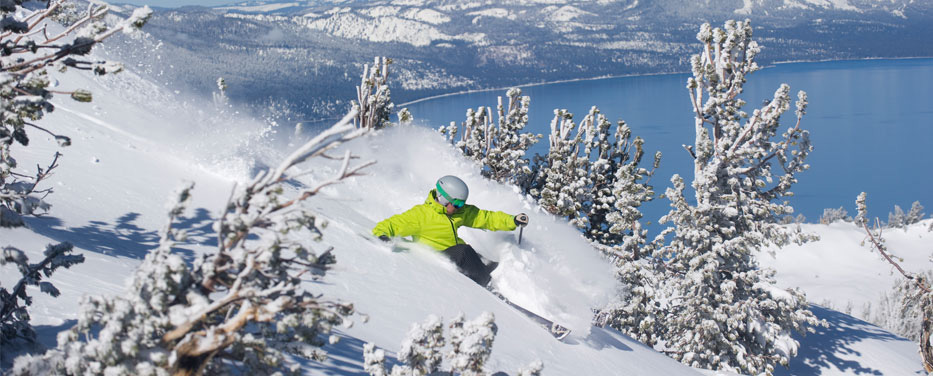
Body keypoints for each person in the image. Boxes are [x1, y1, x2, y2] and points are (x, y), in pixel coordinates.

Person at [372, 175, 529, 286]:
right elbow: (393, 224)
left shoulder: (458, 212)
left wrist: (512, 220)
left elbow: (485, 218)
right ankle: (485, 287)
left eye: (461, 204)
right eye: (456, 204)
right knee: (464, 251)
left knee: (490, 263)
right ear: (443, 198)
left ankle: (507, 290)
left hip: (459, 257)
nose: (458, 208)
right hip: (439, 259)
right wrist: (382, 234)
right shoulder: (421, 215)